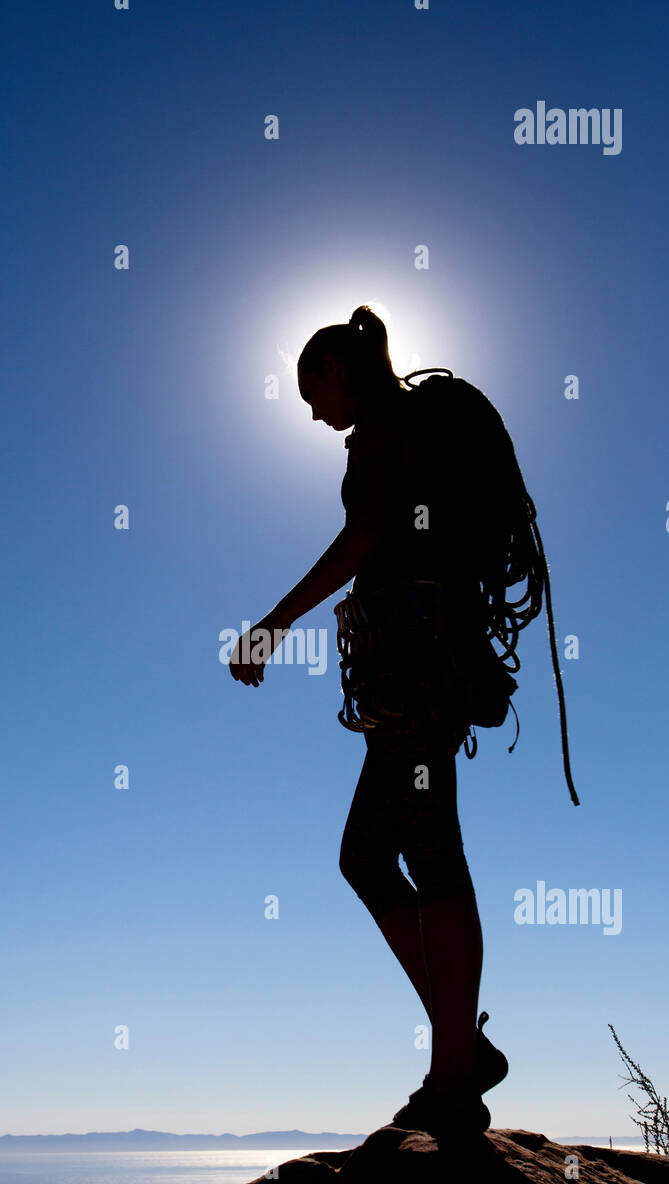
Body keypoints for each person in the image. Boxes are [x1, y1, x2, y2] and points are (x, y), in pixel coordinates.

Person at [229, 304, 509, 1139]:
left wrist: (270, 624)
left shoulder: (386, 428)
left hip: (417, 671)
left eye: (311, 389)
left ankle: (454, 1076)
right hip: (414, 674)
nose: (312, 411)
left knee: (430, 853)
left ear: (342, 370)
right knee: (367, 854)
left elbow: (362, 538)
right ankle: (464, 1047)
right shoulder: (400, 428)